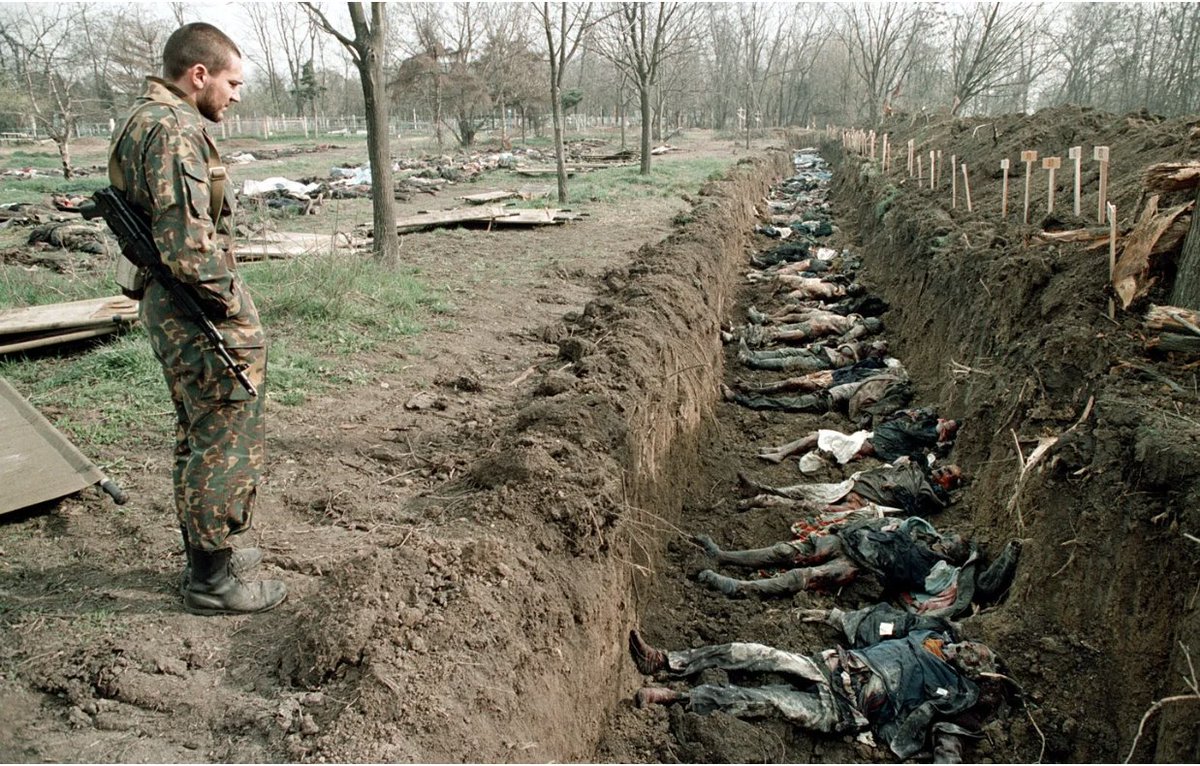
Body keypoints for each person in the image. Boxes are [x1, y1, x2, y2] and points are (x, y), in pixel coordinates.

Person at [110, 22, 285, 615]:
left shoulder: (140, 118)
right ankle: (212, 580)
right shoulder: (174, 130)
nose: (237, 95)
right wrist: (238, 312)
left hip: (170, 305)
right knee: (224, 433)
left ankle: (207, 555)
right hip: (195, 307)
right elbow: (189, 249)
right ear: (199, 74)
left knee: (197, 431)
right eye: (232, 82)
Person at [627, 626, 1003, 762]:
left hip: (844, 708)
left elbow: (936, 738)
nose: (958, 650)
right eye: (963, 645)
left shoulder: (953, 693)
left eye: (965, 656)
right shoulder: (928, 635)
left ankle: (673, 699)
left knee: (766, 701)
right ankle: (665, 661)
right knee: (756, 653)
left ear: (966, 670)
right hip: (831, 665)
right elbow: (880, 621)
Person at [694, 514, 1020, 618]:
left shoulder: (943, 572)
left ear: (955, 556)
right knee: (786, 550)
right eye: (951, 536)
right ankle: (724, 556)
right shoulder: (918, 531)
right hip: (850, 540)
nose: (948, 540)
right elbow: (886, 524)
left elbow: (982, 586)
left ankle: (739, 587)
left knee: (802, 576)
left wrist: (1007, 555)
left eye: (955, 545)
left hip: (861, 567)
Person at [757, 407, 959, 465]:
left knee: (816, 437)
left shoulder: (922, 433)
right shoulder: (918, 427)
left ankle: (780, 454)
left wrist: (937, 429)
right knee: (815, 436)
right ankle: (780, 450)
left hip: (863, 444)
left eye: (945, 424)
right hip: (863, 438)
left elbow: (916, 433)